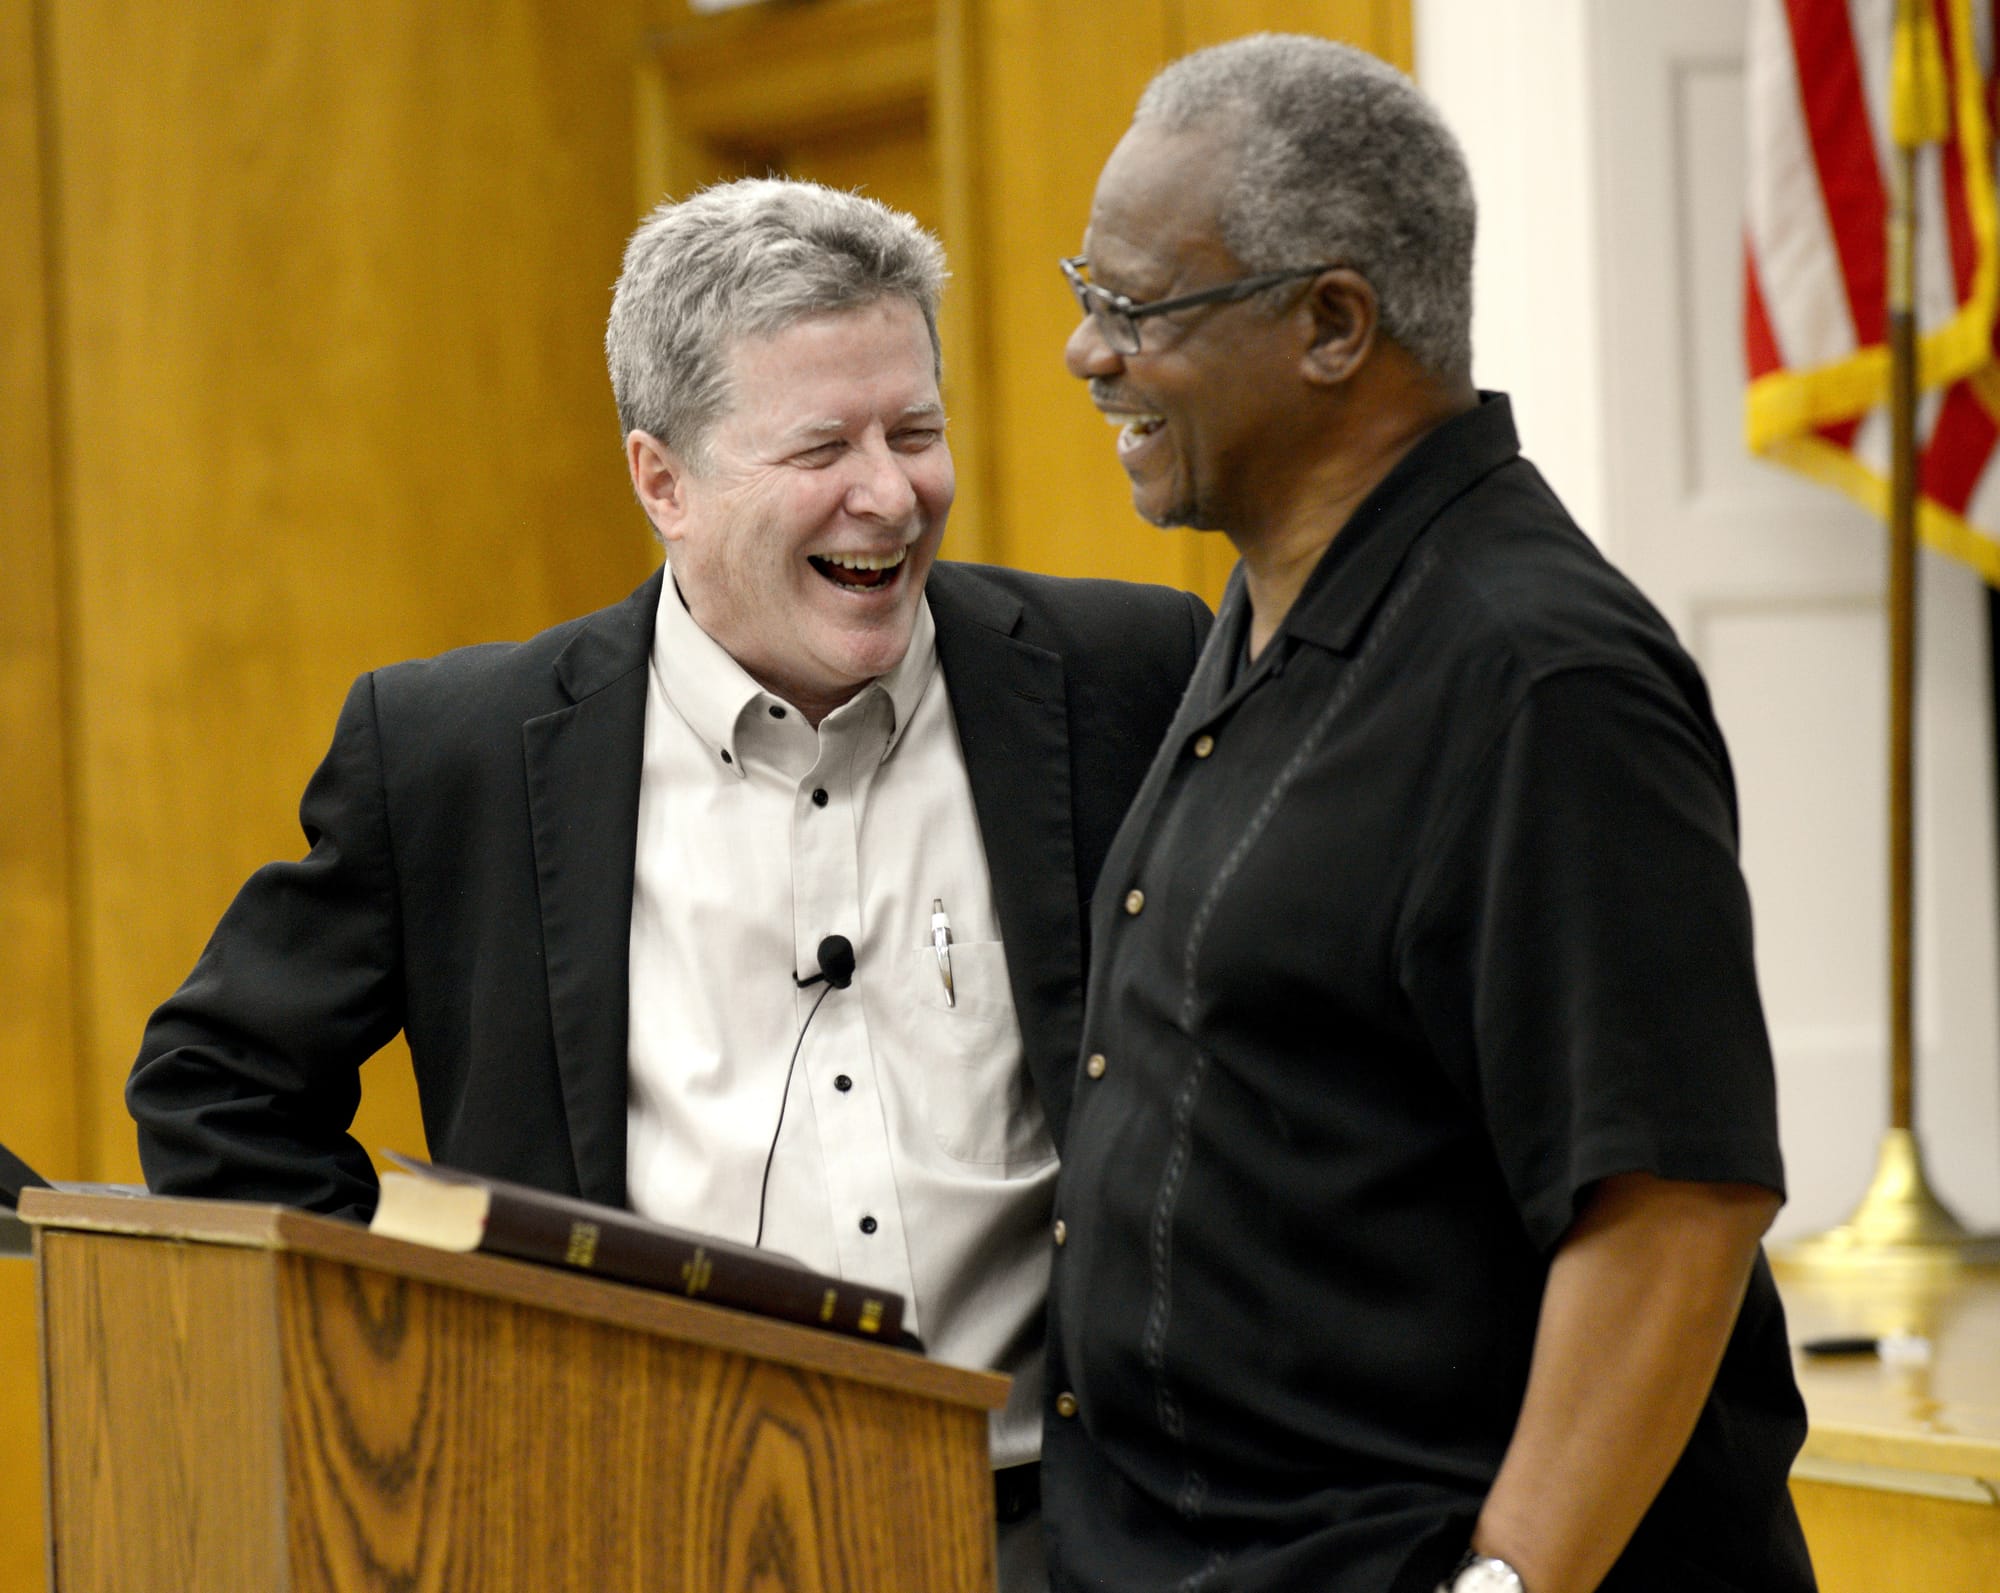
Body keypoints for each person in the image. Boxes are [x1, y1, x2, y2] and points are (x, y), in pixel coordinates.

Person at [126, 178, 1210, 1593]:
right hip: (641, 1533)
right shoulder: (453, 753)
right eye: (821, 444)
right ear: (663, 478)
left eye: (916, 430)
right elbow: (215, 1087)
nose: (888, 491)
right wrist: (431, 1353)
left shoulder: (1123, 675)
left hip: (1060, 1539)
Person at [1042, 36, 1815, 1593]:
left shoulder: (1543, 676)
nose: (1086, 351)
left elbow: (1675, 1197)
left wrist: (1508, 1585)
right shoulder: (1275, 609)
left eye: (1136, 308)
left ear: (1333, 324)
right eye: (1085, 289)